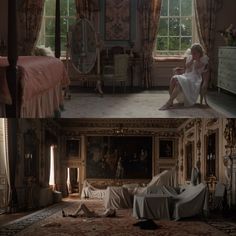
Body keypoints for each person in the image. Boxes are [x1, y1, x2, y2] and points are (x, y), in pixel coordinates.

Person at [159, 43, 209, 110]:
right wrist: (191, 59)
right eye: (192, 53)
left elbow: (197, 67)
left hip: (195, 79)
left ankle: (168, 103)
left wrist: (196, 59)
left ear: (199, 53)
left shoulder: (203, 60)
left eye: (194, 53)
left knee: (178, 83)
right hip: (188, 75)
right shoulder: (191, 58)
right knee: (173, 79)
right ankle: (170, 101)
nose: (193, 55)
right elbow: (187, 67)